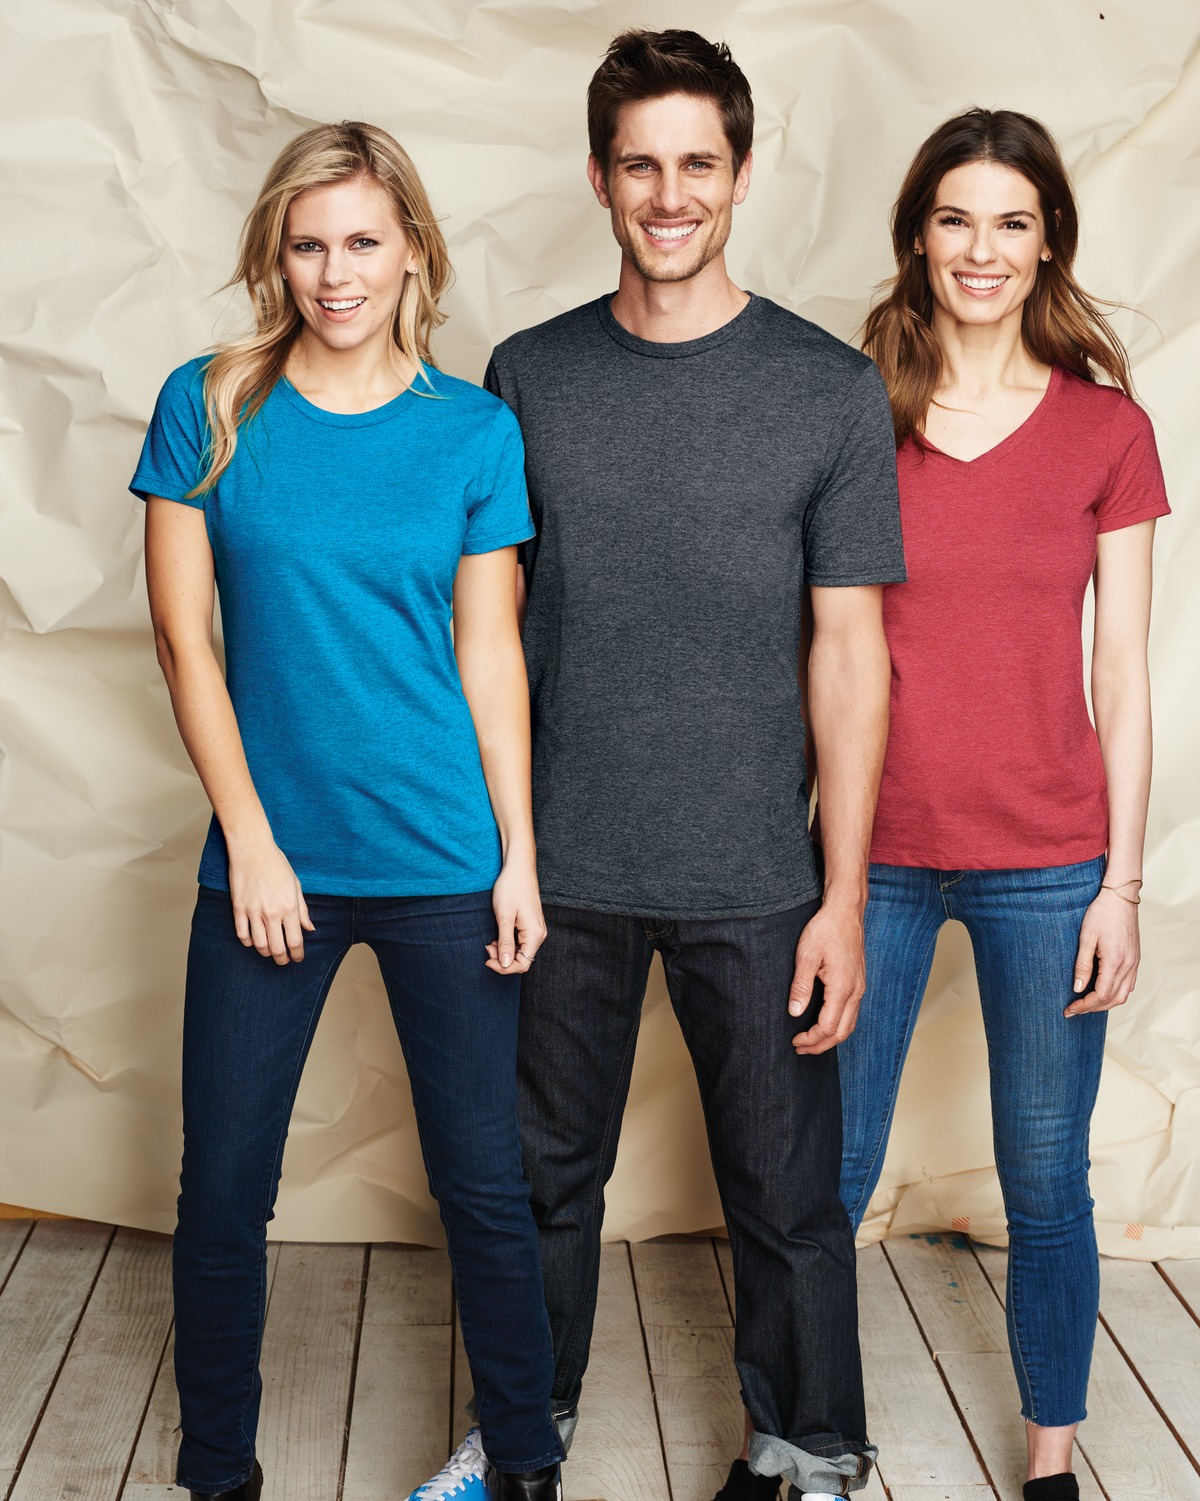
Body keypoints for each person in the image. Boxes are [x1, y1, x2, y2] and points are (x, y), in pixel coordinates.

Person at [482, 30, 905, 1501]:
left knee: (787, 1198)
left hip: (757, 874)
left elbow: (850, 656)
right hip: (560, 865)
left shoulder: (828, 390)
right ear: (600, 177)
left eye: (698, 164)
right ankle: (520, 1443)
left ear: (741, 173)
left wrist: (843, 894)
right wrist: (501, 849)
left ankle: (809, 1453)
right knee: (538, 1184)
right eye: (641, 165)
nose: (670, 195)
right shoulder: (527, 376)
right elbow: (490, 630)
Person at [131, 121, 563, 1501]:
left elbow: (489, 652)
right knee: (222, 1190)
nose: (337, 273)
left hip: (443, 855)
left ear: (413, 251)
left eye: (365, 241)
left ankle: (526, 1466)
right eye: (309, 244)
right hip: (273, 867)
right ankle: (218, 1471)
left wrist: (518, 857)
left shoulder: (473, 431)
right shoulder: (210, 406)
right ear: (277, 255)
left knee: (482, 1185)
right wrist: (253, 843)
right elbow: (185, 644)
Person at [837, 109, 1169, 1501]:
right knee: (822, 1178)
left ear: (1048, 243)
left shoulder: (1107, 429)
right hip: (868, 858)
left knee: (1045, 1179)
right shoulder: (851, 409)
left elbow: (1125, 676)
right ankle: (796, 1437)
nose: (983, 249)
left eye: (1012, 222)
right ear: (919, 235)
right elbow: (808, 641)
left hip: (1050, 860)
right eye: (957, 218)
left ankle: (1050, 1462)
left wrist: (1121, 887)